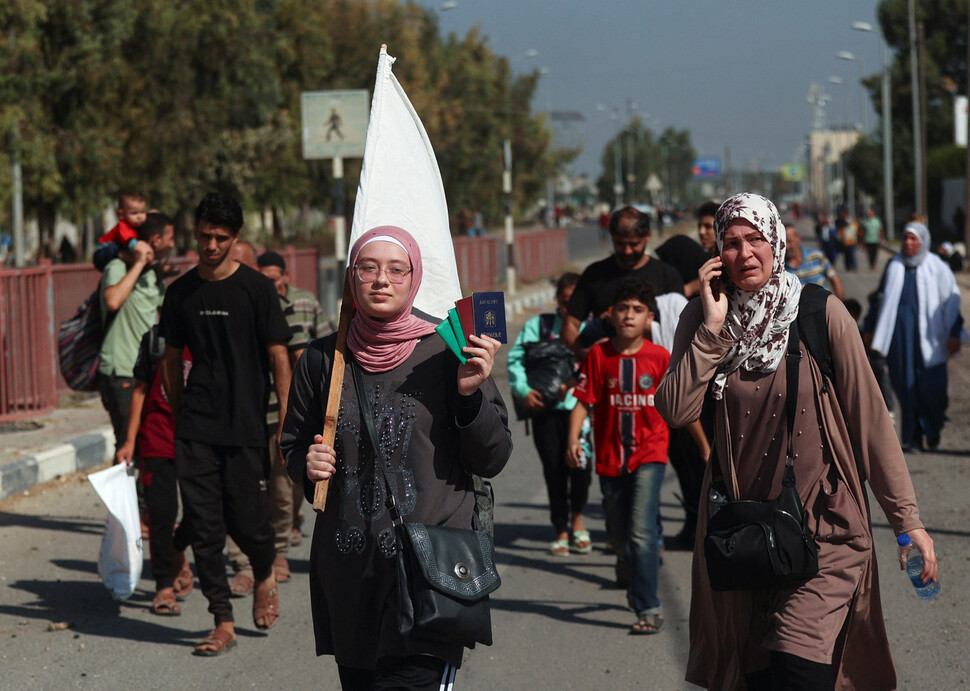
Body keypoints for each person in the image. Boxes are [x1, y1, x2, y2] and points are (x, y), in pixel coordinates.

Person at [656, 193, 938, 689]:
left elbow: (871, 421)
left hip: (824, 527)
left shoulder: (818, 313)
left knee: (797, 665)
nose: (745, 254)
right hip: (744, 535)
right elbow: (677, 410)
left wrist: (906, 521)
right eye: (732, 242)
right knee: (759, 675)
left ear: (776, 241)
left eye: (755, 239)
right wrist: (714, 330)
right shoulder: (701, 319)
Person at [281, 226, 512, 689]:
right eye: (368, 268)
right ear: (351, 278)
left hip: (429, 573)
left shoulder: (450, 353)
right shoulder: (323, 359)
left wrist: (469, 396)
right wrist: (307, 468)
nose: (381, 280)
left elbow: (493, 456)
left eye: (396, 269)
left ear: (414, 278)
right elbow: (292, 443)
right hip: (350, 574)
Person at [159, 193, 292, 656]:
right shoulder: (179, 293)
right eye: (204, 236)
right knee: (203, 524)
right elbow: (172, 359)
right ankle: (222, 620)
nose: (210, 245)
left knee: (250, 523)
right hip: (196, 426)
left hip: (246, 425)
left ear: (236, 239)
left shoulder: (256, 290)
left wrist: (285, 422)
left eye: (220, 238)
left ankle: (264, 573)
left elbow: (279, 356)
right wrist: (180, 411)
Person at [567, 278, 670, 636]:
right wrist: (573, 438)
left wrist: (702, 446)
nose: (629, 316)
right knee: (618, 532)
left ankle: (648, 606)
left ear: (649, 319)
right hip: (610, 457)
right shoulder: (599, 355)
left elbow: (676, 407)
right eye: (623, 309)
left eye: (637, 310)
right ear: (611, 316)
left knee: (642, 531)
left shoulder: (660, 358)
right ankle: (626, 565)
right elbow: (583, 401)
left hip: (650, 453)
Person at [508, 272, 593, 556]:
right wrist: (523, 391)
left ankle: (578, 519)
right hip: (544, 412)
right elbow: (515, 360)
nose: (569, 306)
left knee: (580, 468)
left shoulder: (592, 328)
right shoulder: (537, 326)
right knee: (554, 470)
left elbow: (598, 363)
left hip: (579, 412)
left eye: (575, 300)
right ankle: (561, 529)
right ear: (557, 299)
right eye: (565, 300)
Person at [863, 222, 966, 452]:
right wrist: (869, 328)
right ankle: (913, 436)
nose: (908, 243)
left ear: (923, 241)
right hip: (900, 338)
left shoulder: (937, 266)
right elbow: (879, 298)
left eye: (913, 239)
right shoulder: (894, 265)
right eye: (906, 238)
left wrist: (954, 331)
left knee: (933, 389)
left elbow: (953, 300)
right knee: (905, 386)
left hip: (931, 338)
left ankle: (933, 426)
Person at [115, 325, 195, 615]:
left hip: (198, 439)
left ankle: (176, 549)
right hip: (156, 438)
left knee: (203, 511)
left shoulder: (209, 331)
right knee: (160, 514)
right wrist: (129, 441)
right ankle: (162, 585)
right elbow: (139, 391)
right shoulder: (156, 338)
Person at [560, 206, 683, 361]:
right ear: (611, 237)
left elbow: (679, 330)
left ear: (647, 236)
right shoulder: (594, 274)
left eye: (634, 244)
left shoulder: (667, 276)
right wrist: (586, 354)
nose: (627, 251)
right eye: (620, 244)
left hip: (653, 372)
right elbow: (570, 325)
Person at [97, 211, 175, 456]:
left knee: (143, 444)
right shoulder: (118, 267)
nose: (173, 244)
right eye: (170, 237)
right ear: (155, 239)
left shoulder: (154, 275)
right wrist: (139, 262)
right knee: (127, 446)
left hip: (142, 372)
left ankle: (138, 495)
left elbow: (168, 314)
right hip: (121, 370)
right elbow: (112, 300)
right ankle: (122, 496)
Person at [784, 227, 845, 301]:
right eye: (783, 242)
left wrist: (841, 305)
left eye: (789, 241)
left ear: (798, 238)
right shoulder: (781, 266)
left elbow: (834, 279)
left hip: (823, 307)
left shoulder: (816, 257)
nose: (786, 246)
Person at [93, 193, 149, 271]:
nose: (139, 217)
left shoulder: (136, 227)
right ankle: (124, 256)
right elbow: (128, 239)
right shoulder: (122, 226)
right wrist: (138, 246)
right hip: (103, 251)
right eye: (134, 213)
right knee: (116, 247)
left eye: (142, 212)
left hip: (115, 250)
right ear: (121, 214)